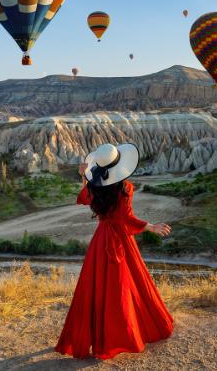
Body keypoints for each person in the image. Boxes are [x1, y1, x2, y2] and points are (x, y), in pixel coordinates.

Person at [55, 143, 174, 360]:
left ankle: (100, 337)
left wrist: (84, 176)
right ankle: (122, 335)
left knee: (97, 288)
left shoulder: (94, 185)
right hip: (119, 241)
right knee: (124, 287)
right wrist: (151, 227)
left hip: (100, 240)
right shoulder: (125, 188)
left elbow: (84, 197)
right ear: (119, 164)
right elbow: (124, 219)